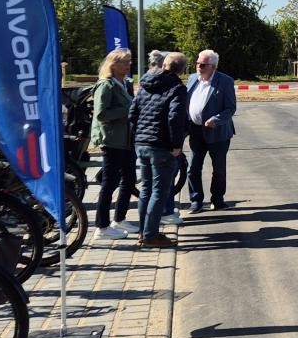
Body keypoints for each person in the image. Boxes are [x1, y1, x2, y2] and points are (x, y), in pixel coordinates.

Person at [129, 51, 188, 249]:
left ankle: (143, 231)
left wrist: (136, 138)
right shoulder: (177, 88)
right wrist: (176, 145)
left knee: (145, 189)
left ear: (164, 65)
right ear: (182, 70)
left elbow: (133, 113)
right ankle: (150, 235)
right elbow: (175, 118)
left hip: (142, 144)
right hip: (162, 146)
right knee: (159, 192)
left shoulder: (144, 83)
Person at [90, 48, 135, 241]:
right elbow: (101, 114)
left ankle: (120, 218)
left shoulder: (124, 83)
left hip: (126, 140)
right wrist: (128, 109)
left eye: (129, 61)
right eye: (124, 62)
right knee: (109, 183)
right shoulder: (106, 86)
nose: (128, 65)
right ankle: (101, 226)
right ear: (113, 64)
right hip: (112, 141)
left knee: (129, 179)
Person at [186, 49, 237, 214]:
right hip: (195, 131)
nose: (198, 67)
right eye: (197, 63)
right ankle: (196, 200)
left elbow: (230, 108)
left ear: (213, 66)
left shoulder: (225, 81)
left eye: (203, 64)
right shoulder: (193, 79)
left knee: (219, 169)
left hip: (218, 132)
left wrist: (216, 119)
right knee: (193, 168)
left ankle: (218, 200)